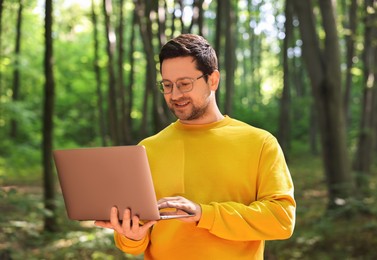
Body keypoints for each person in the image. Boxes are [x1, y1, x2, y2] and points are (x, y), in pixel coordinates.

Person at [95, 34, 296, 260]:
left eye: (184, 84)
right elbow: (134, 244)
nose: (175, 95)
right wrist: (131, 236)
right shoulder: (147, 149)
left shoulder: (260, 142)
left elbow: (282, 219)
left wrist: (204, 214)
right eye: (167, 85)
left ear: (213, 80)